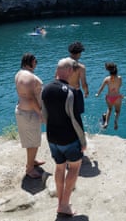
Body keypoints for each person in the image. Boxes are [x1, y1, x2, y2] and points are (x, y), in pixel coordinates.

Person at [41, 58, 87, 218]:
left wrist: (50, 132)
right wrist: (83, 141)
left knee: (59, 167)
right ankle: (64, 205)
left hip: (52, 137)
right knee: (74, 168)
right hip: (69, 138)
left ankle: (61, 202)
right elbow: (75, 119)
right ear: (69, 71)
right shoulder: (70, 92)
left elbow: (44, 115)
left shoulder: (45, 89)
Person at [14, 53, 45, 179]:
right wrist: (40, 113)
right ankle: (30, 168)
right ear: (29, 62)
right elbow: (31, 98)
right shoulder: (28, 77)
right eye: (35, 61)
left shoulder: (20, 73)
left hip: (25, 112)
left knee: (33, 140)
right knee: (33, 142)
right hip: (29, 113)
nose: (37, 63)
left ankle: (32, 161)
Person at [95, 62, 123, 130]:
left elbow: (101, 88)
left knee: (109, 109)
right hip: (117, 97)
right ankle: (116, 121)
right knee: (117, 111)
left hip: (109, 97)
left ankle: (106, 122)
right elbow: (120, 85)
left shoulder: (107, 79)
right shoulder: (119, 78)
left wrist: (97, 94)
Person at [68, 41, 89, 116]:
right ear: (79, 53)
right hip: (75, 93)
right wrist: (86, 92)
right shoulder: (80, 67)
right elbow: (83, 83)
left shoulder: (62, 63)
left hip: (64, 92)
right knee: (76, 116)